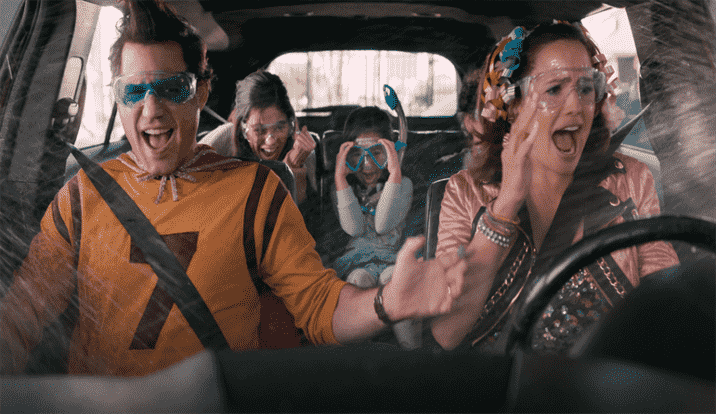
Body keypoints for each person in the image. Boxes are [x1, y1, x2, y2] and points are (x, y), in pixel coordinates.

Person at [0, 0, 466, 376]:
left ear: (201, 93)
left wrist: (386, 303)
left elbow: (318, 306)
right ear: (117, 96)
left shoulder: (257, 193)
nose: (152, 110)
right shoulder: (81, 196)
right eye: (134, 91)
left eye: (173, 89)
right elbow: (21, 317)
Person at [431, 22, 679, 353]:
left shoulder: (630, 178)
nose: (576, 106)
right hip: (504, 379)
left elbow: (667, 300)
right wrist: (505, 206)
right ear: (515, 105)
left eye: (586, 88)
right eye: (554, 89)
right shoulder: (466, 191)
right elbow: (446, 333)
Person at [331, 107, 419, 349]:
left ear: (391, 153)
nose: (367, 165)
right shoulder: (341, 189)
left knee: (394, 279)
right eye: (357, 156)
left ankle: (412, 352)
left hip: (392, 261)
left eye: (377, 154)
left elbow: (382, 224)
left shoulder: (403, 184)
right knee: (358, 280)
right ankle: (357, 356)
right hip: (356, 264)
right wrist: (340, 179)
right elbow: (354, 228)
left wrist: (394, 174)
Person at [200, 70, 317, 206]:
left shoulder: (302, 151)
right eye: (259, 130)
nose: (270, 141)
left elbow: (298, 215)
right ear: (243, 128)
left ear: (291, 123)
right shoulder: (220, 142)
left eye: (279, 128)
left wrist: (293, 167)